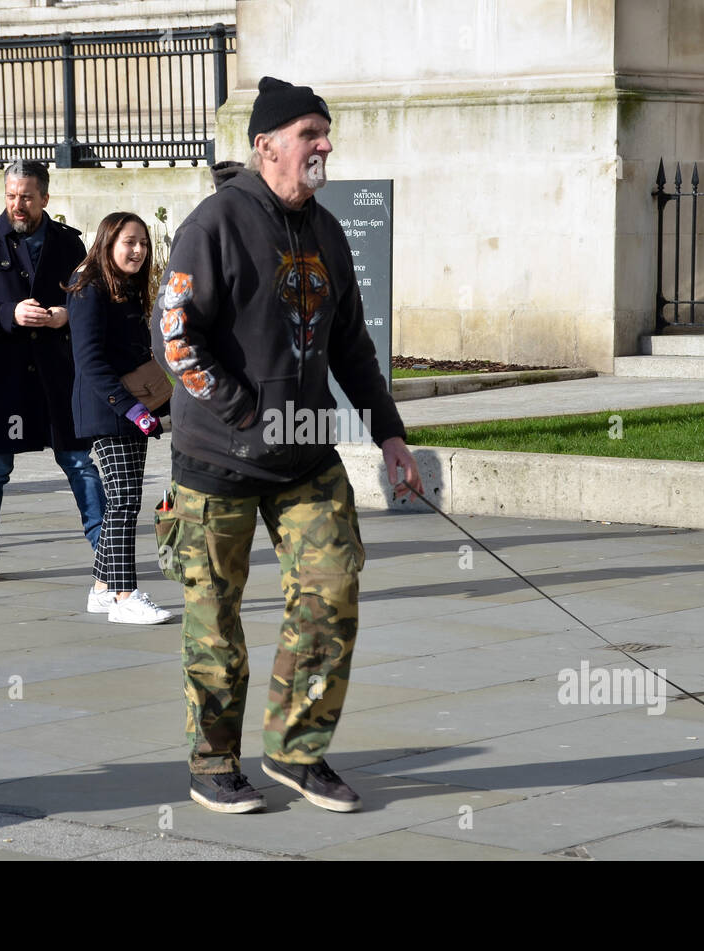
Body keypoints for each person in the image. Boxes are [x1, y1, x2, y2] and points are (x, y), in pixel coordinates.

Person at [152, 77, 423, 814]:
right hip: (218, 463)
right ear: (267, 145)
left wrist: (390, 433)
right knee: (216, 621)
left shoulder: (327, 232)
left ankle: (297, 751)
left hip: (307, 458)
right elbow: (174, 338)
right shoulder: (214, 225)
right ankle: (213, 762)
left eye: (326, 132)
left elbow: (350, 345)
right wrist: (244, 411)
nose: (325, 145)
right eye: (311, 133)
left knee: (331, 593)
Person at [0, 160, 105, 582]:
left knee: (78, 461)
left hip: (58, 375)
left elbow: (88, 297)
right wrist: (7, 312)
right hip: (7, 375)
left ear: (44, 199)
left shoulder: (68, 243)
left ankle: (106, 548)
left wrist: (64, 314)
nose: (18, 205)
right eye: (11, 196)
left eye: (27, 197)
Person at [67, 212, 174, 624]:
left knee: (119, 504)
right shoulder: (88, 288)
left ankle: (101, 588)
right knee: (125, 502)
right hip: (108, 411)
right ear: (109, 241)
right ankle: (124, 596)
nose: (139, 250)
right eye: (130, 242)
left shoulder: (122, 288)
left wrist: (156, 405)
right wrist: (129, 408)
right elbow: (90, 360)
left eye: (143, 243)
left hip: (131, 411)